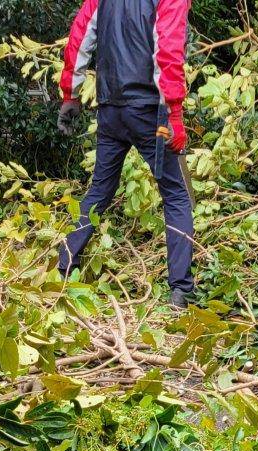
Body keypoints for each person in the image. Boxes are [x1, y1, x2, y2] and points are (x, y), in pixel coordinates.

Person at [56, 0, 195, 308]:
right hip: (149, 113)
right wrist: (174, 112)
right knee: (176, 195)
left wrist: (71, 94)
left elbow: (80, 37)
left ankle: (64, 264)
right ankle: (182, 291)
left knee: (100, 190)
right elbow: (168, 50)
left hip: (111, 110)